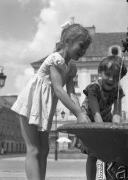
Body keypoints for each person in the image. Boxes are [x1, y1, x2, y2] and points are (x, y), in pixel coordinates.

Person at [11, 23, 92, 180]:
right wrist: (77, 113)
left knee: (44, 149)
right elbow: (58, 90)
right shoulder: (55, 59)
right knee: (33, 149)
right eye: (81, 46)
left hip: (45, 106)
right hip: (32, 102)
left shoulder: (71, 68)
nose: (83, 52)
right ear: (68, 41)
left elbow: (71, 93)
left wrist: (80, 113)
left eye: (85, 48)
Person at [75, 48, 127, 180]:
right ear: (100, 73)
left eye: (116, 76)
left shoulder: (118, 90)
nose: (111, 79)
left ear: (120, 77)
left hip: (105, 117)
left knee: (109, 155)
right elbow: (95, 111)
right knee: (93, 155)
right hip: (90, 118)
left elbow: (116, 112)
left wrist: (116, 129)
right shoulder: (94, 87)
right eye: (107, 74)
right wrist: (102, 130)